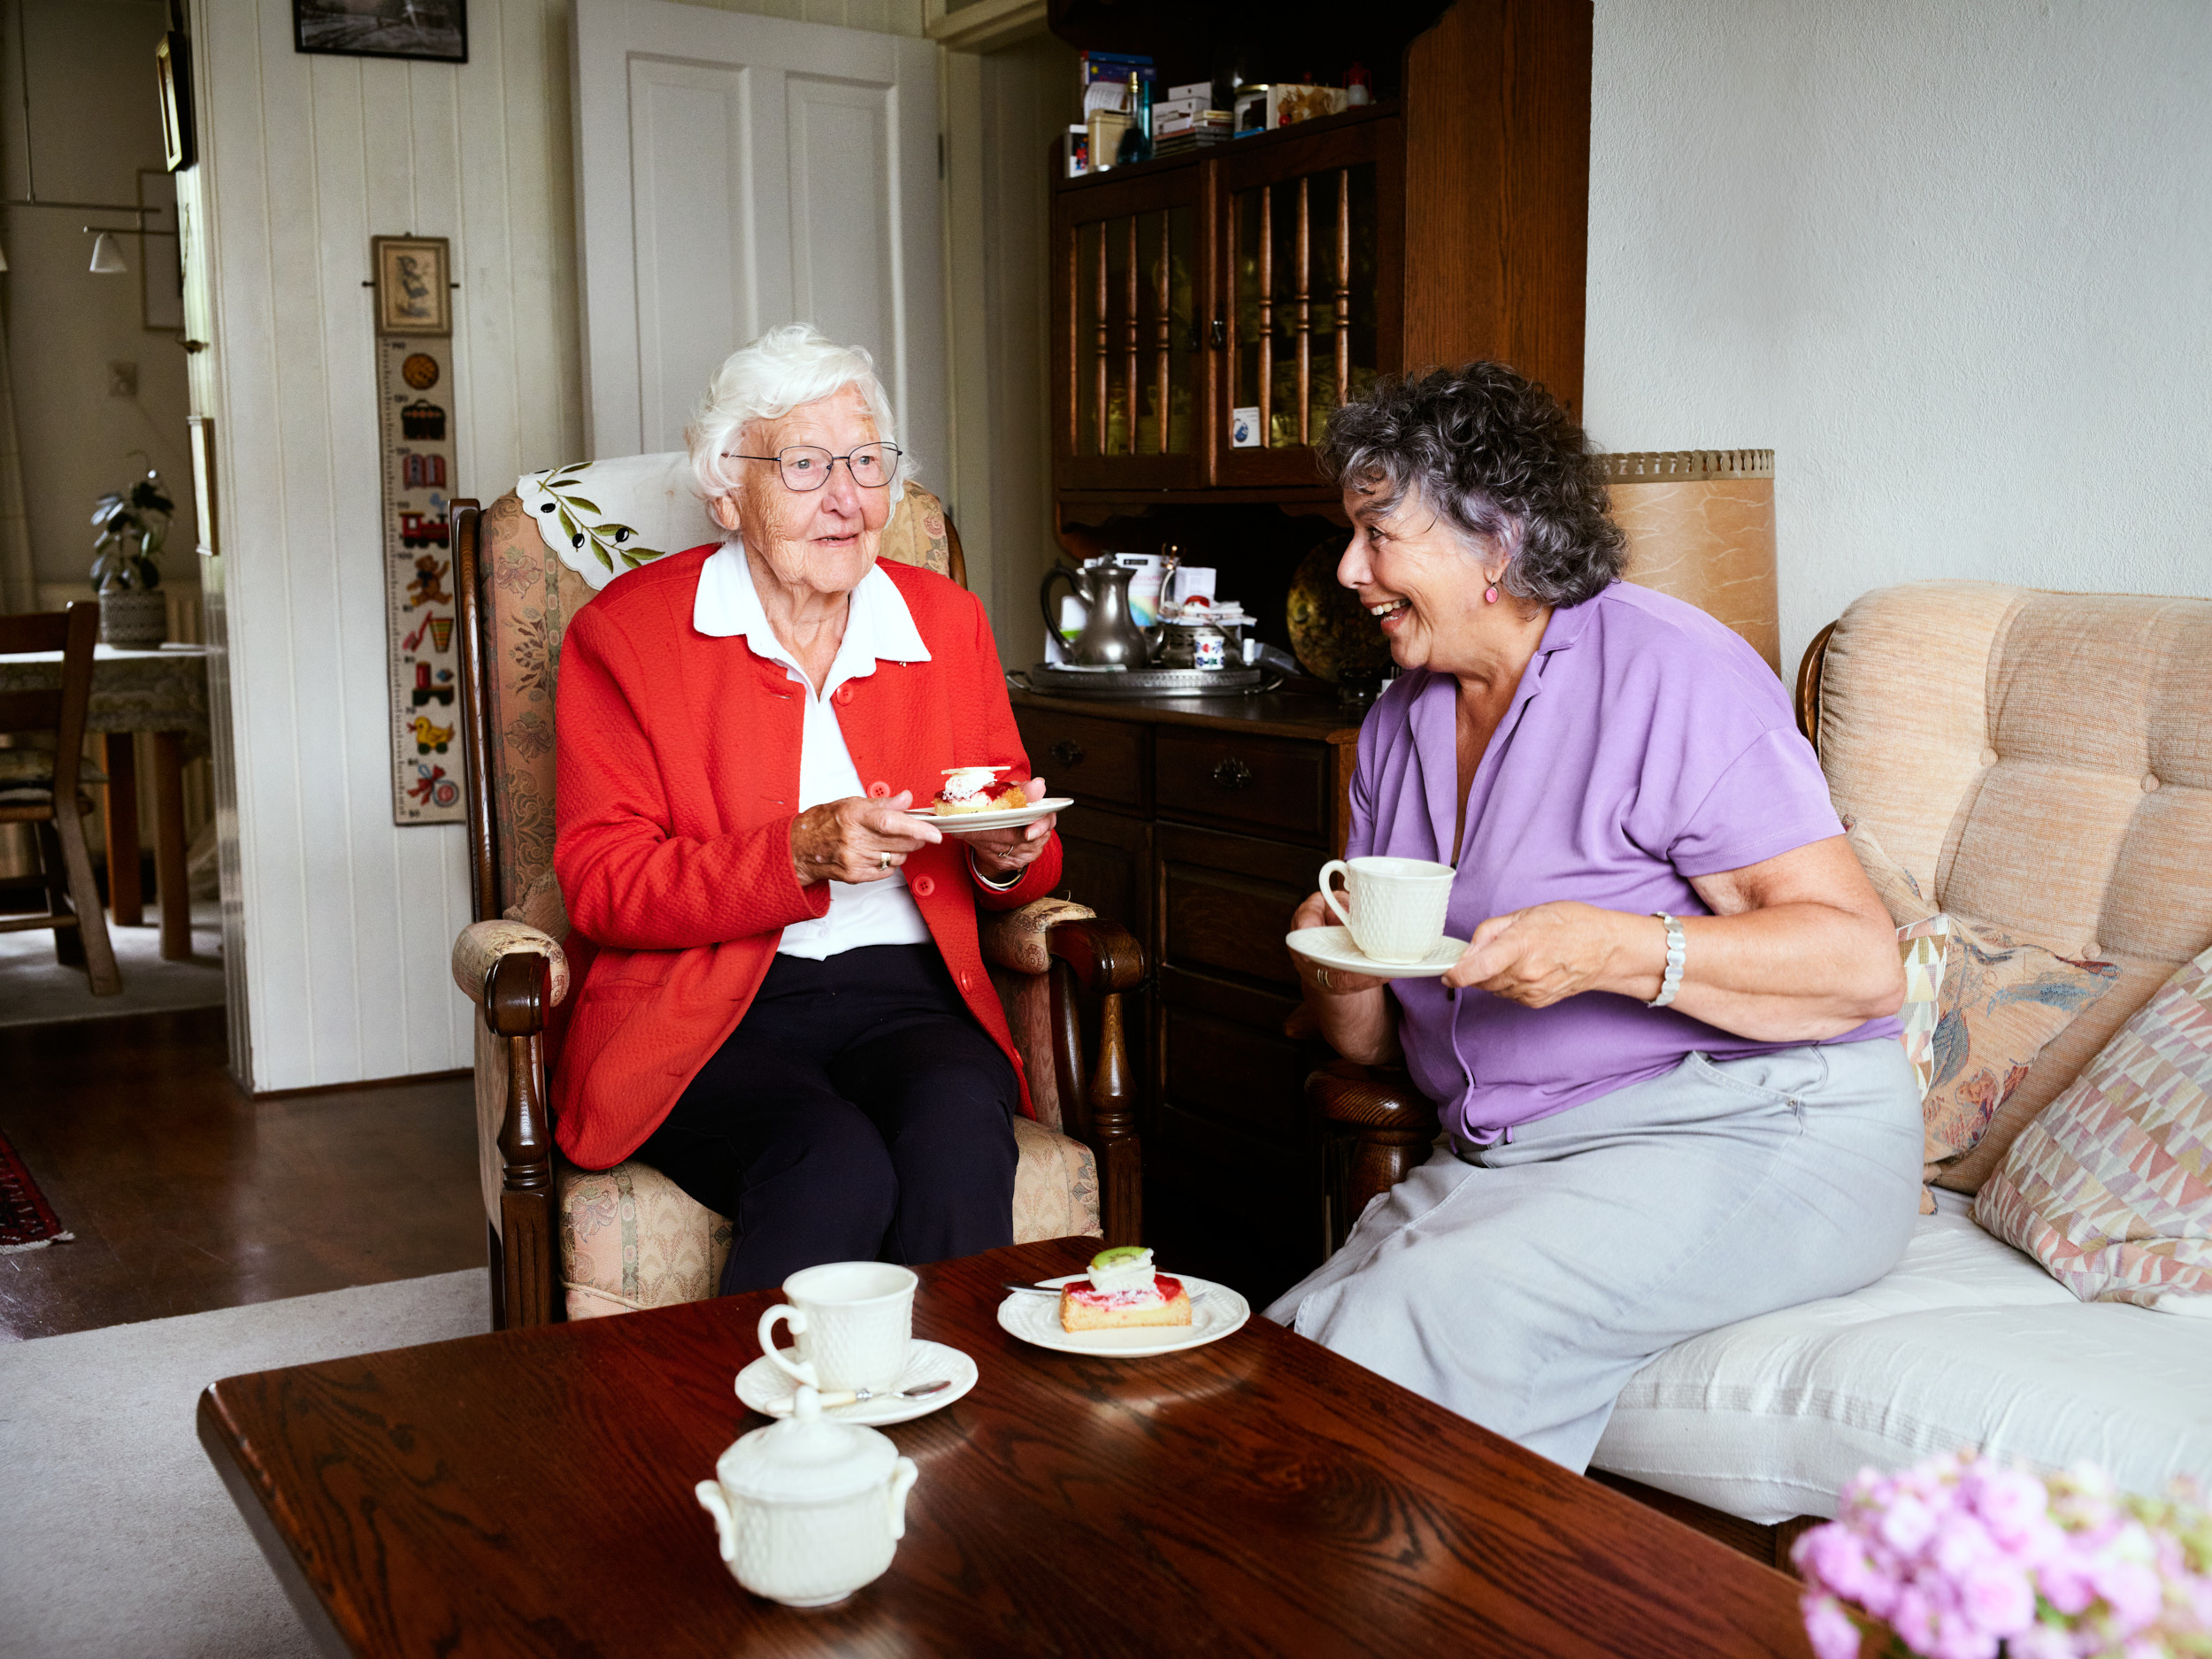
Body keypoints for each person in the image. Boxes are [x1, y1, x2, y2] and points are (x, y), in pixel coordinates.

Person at [1270, 363, 1922, 1471]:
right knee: (1292, 1353)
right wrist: (1335, 969)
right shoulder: (1396, 720)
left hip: (1759, 1128)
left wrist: (1616, 950)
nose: (1347, 571)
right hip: (1518, 1152)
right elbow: (1374, 1040)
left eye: (1379, 535)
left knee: (1423, 1314)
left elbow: (1862, 967)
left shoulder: (1673, 672)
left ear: (1497, 541)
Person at [551, 324, 1061, 1296]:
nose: (846, 497)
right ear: (723, 489)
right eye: (804, 463)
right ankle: (759, 1442)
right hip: (708, 1009)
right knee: (830, 1166)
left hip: (911, 998)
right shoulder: (627, 635)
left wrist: (1004, 852)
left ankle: (955, 1433)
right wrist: (797, 854)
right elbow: (603, 887)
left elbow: (1026, 861)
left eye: (867, 461)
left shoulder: (944, 622)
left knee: (956, 1134)